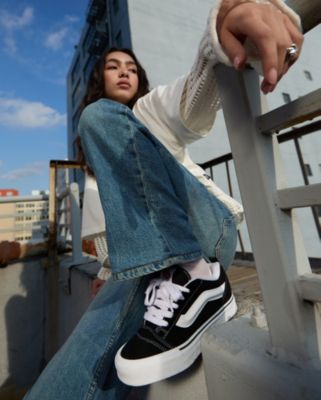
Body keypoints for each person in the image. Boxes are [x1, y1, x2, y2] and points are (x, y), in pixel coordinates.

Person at [24, 0, 303, 398]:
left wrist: (224, 32)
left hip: (202, 231)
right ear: (97, 78)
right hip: (148, 272)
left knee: (97, 118)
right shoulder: (93, 160)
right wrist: (109, 270)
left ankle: (199, 276)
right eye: (113, 66)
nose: (124, 72)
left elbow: (193, 99)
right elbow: (108, 229)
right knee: (86, 360)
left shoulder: (145, 113)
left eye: (131, 68)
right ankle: (184, 286)